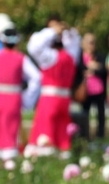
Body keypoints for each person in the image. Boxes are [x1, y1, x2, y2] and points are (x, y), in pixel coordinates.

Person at [0, 27, 41, 159]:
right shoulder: (21, 58)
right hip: (14, 98)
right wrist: (27, 98)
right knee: (10, 130)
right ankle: (9, 158)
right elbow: (36, 77)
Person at [26, 15, 81, 156]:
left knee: (45, 136)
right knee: (62, 139)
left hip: (49, 100)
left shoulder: (50, 56)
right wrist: (66, 30)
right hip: (64, 101)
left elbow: (33, 46)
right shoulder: (71, 56)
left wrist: (51, 31)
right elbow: (75, 41)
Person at [81, 32, 107, 140]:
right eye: (89, 42)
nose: (91, 45)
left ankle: (100, 136)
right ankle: (84, 135)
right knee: (84, 114)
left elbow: (104, 70)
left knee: (100, 114)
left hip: (98, 90)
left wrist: (94, 69)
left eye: (93, 43)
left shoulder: (99, 56)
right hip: (85, 90)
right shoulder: (80, 56)